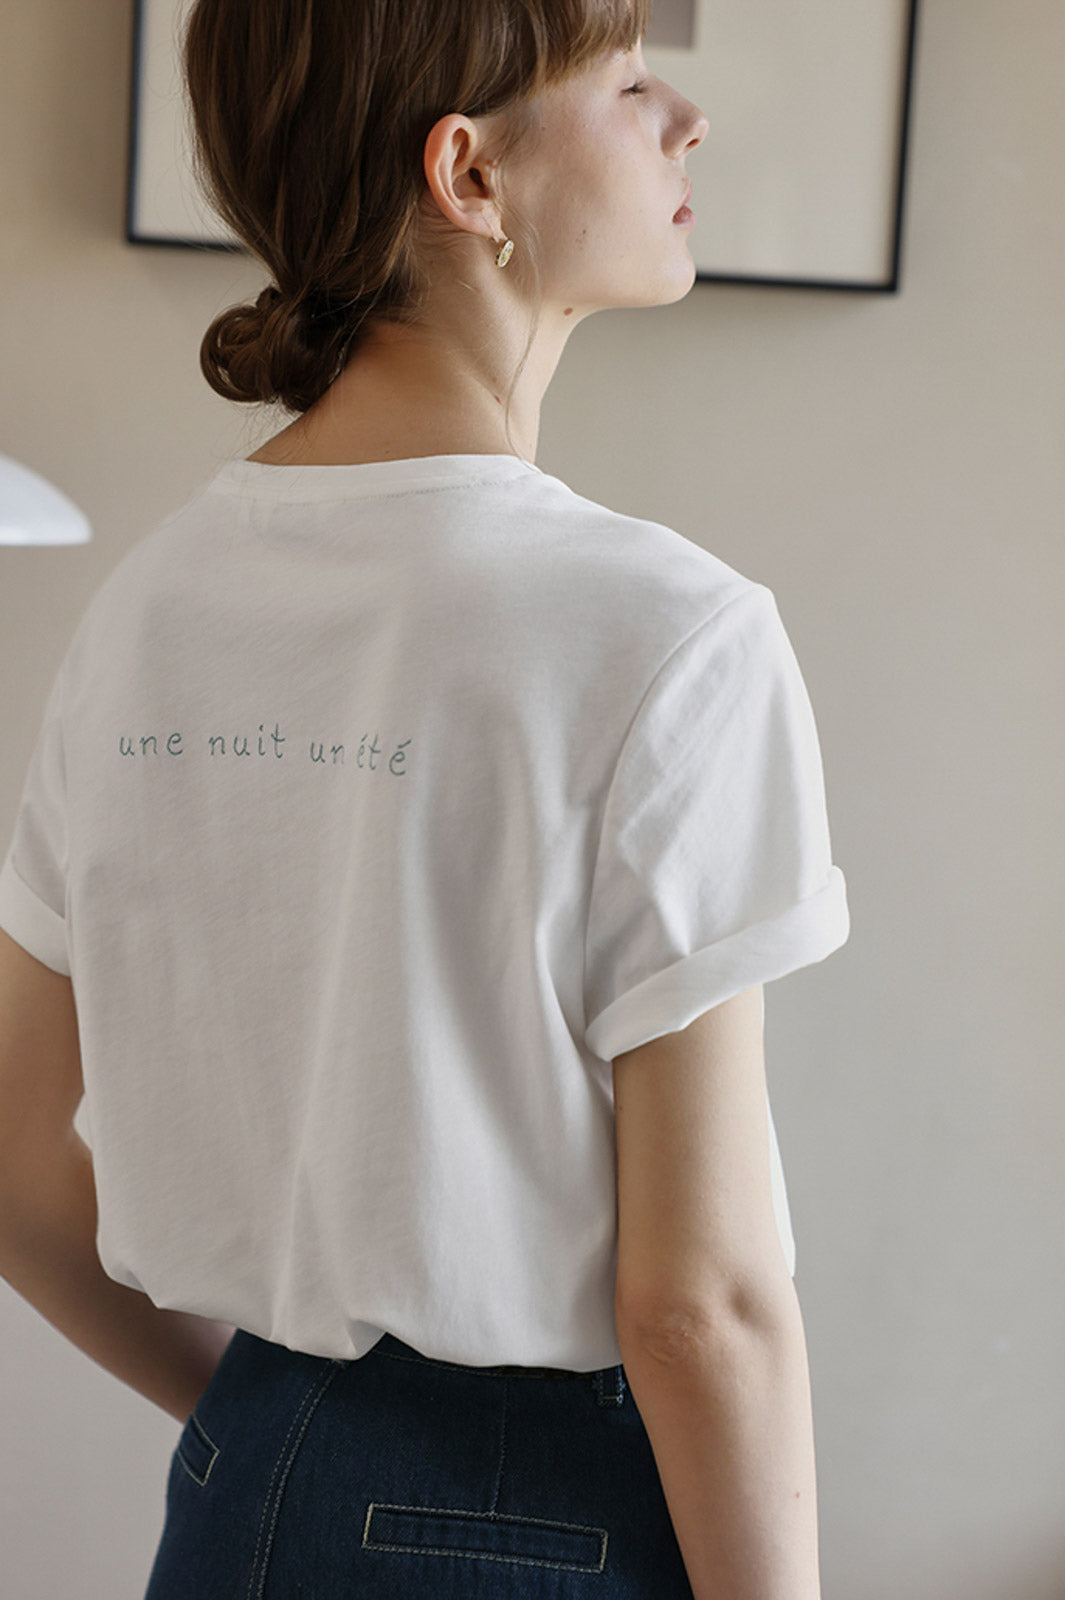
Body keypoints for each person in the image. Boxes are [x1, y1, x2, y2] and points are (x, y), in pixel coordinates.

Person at [0, 0, 849, 1595]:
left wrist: (293, 1429)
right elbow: (702, 1303)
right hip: (542, 1523)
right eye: (625, 81)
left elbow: (15, 1159)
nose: (687, 119)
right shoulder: (669, 633)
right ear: (469, 175)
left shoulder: (151, 606)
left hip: (237, 1499)